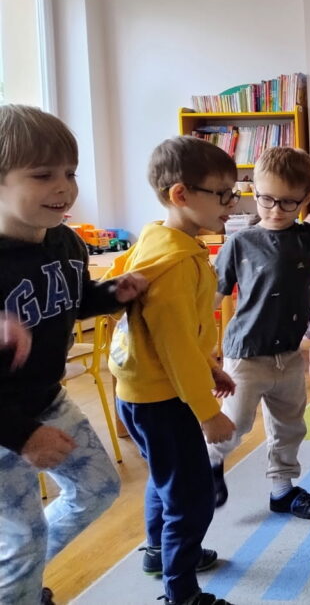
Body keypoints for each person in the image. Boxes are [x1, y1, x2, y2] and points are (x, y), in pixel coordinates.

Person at [0, 105, 146, 605]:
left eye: (70, 173)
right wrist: (22, 436)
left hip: (48, 399)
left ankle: (16, 579)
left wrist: (111, 294)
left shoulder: (66, 242)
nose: (64, 188)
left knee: (97, 489)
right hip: (5, 420)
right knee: (22, 538)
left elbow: (73, 301)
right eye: (43, 175)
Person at [107, 135, 241, 605]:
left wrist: (208, 366)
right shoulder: (176, 263)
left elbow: (174, 334)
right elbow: (175, 345)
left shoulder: (160, 241)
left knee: (165, 479)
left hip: (142, 391)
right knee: (191, 496)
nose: (232, 203)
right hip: (164, 398)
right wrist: (207, 411)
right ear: (181, 194)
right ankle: (180, 592)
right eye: (222, 194)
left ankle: (157, 552)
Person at [207, 147, 310, 516]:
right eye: (267, 199)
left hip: (289, 354)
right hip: (246, 354)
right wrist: (205, 355)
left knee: (289, 427)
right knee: (235, 426)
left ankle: (282, 490)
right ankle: (210, 461)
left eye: (288, 202)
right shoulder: (240, 242)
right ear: (254, 191)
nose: (276, 210)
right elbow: (212, 300)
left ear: (303, 199)